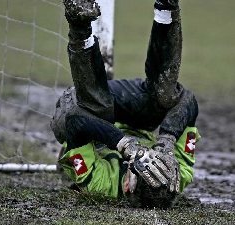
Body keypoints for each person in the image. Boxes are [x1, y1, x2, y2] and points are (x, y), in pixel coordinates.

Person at [51, 0, 200, 208]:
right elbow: (189, 101)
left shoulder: (101, 185)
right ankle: (166, 8)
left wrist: (125, 145)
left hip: (87, 115)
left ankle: (79, 25)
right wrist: (167, 141)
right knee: (166, 96)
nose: (152, 158)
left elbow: (76, 121)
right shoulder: (178, 177)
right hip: (138, 116)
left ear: (128, 185)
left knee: (92, 110)